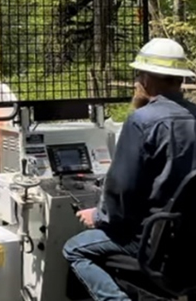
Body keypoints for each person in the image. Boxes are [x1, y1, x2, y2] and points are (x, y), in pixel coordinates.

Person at [64, 37, 196, 301]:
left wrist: (98, 216)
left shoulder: (142, 121)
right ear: (179, 79)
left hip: (151, 242)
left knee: (75, 249)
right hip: (190, 244)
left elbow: (122, 190)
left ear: (145, 77)